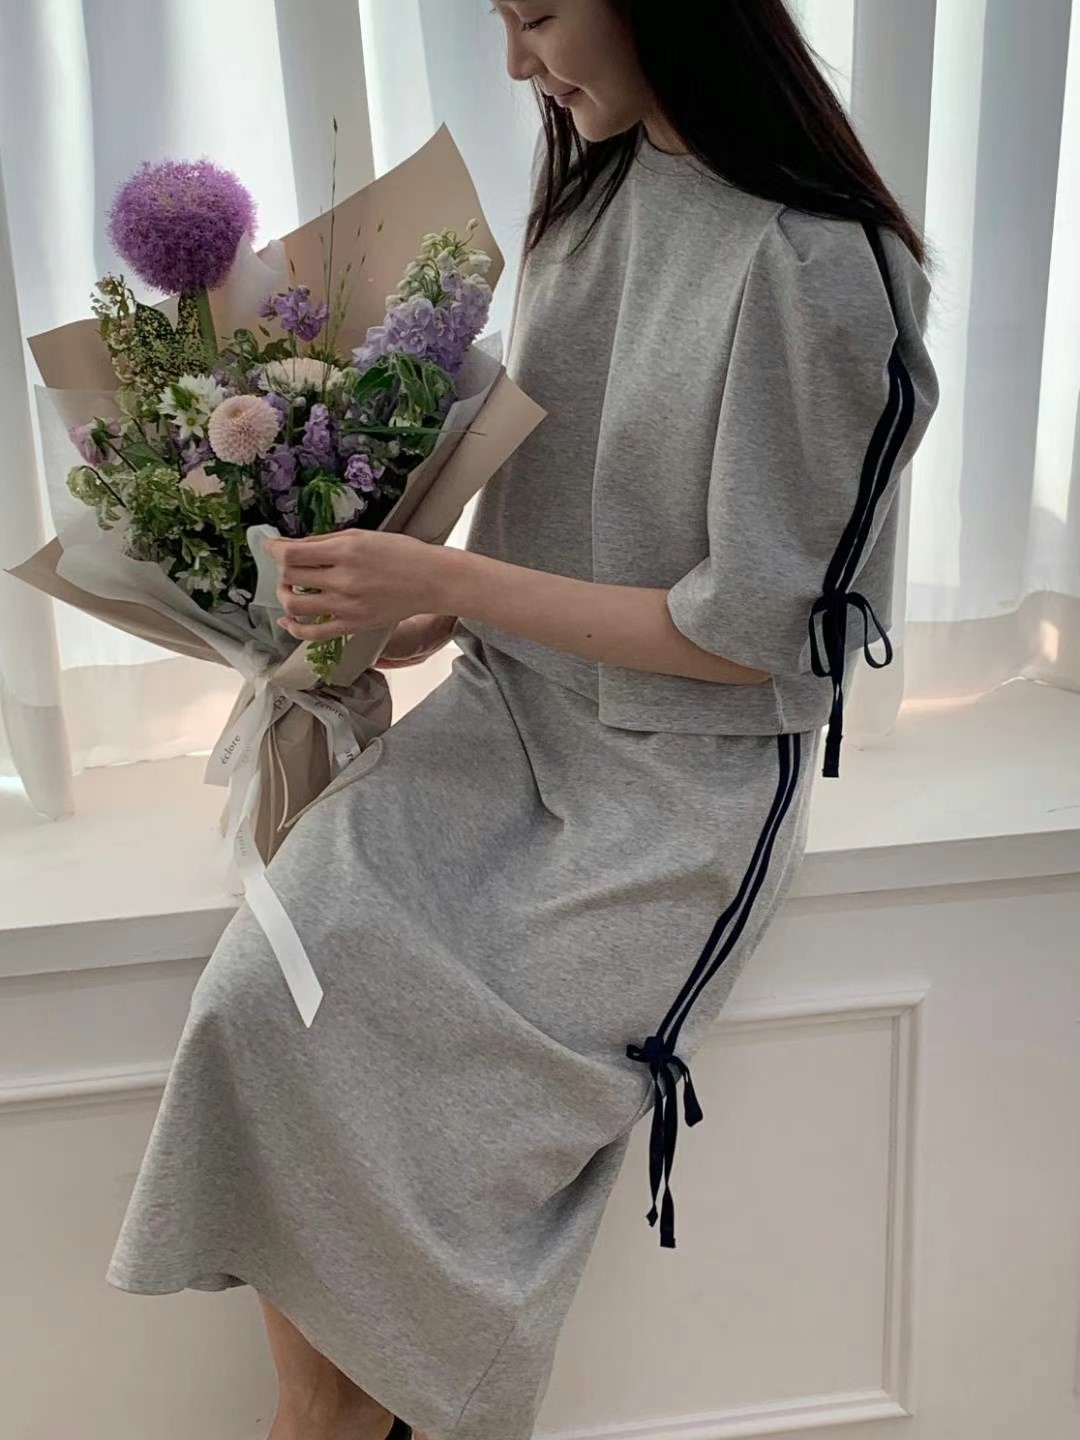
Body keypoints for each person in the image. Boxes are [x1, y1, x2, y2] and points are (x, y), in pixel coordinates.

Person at [105, 3, 939, 1439]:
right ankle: (324, 1422)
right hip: (504, 724)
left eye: (538, 12)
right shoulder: (598, 194)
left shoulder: (817, 266)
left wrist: (449, 581)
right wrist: (430, 614)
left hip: (676, 794)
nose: (515, 62)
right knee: (265, 1003)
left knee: (433, 1114)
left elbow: (752, 637)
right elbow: (558, 518)